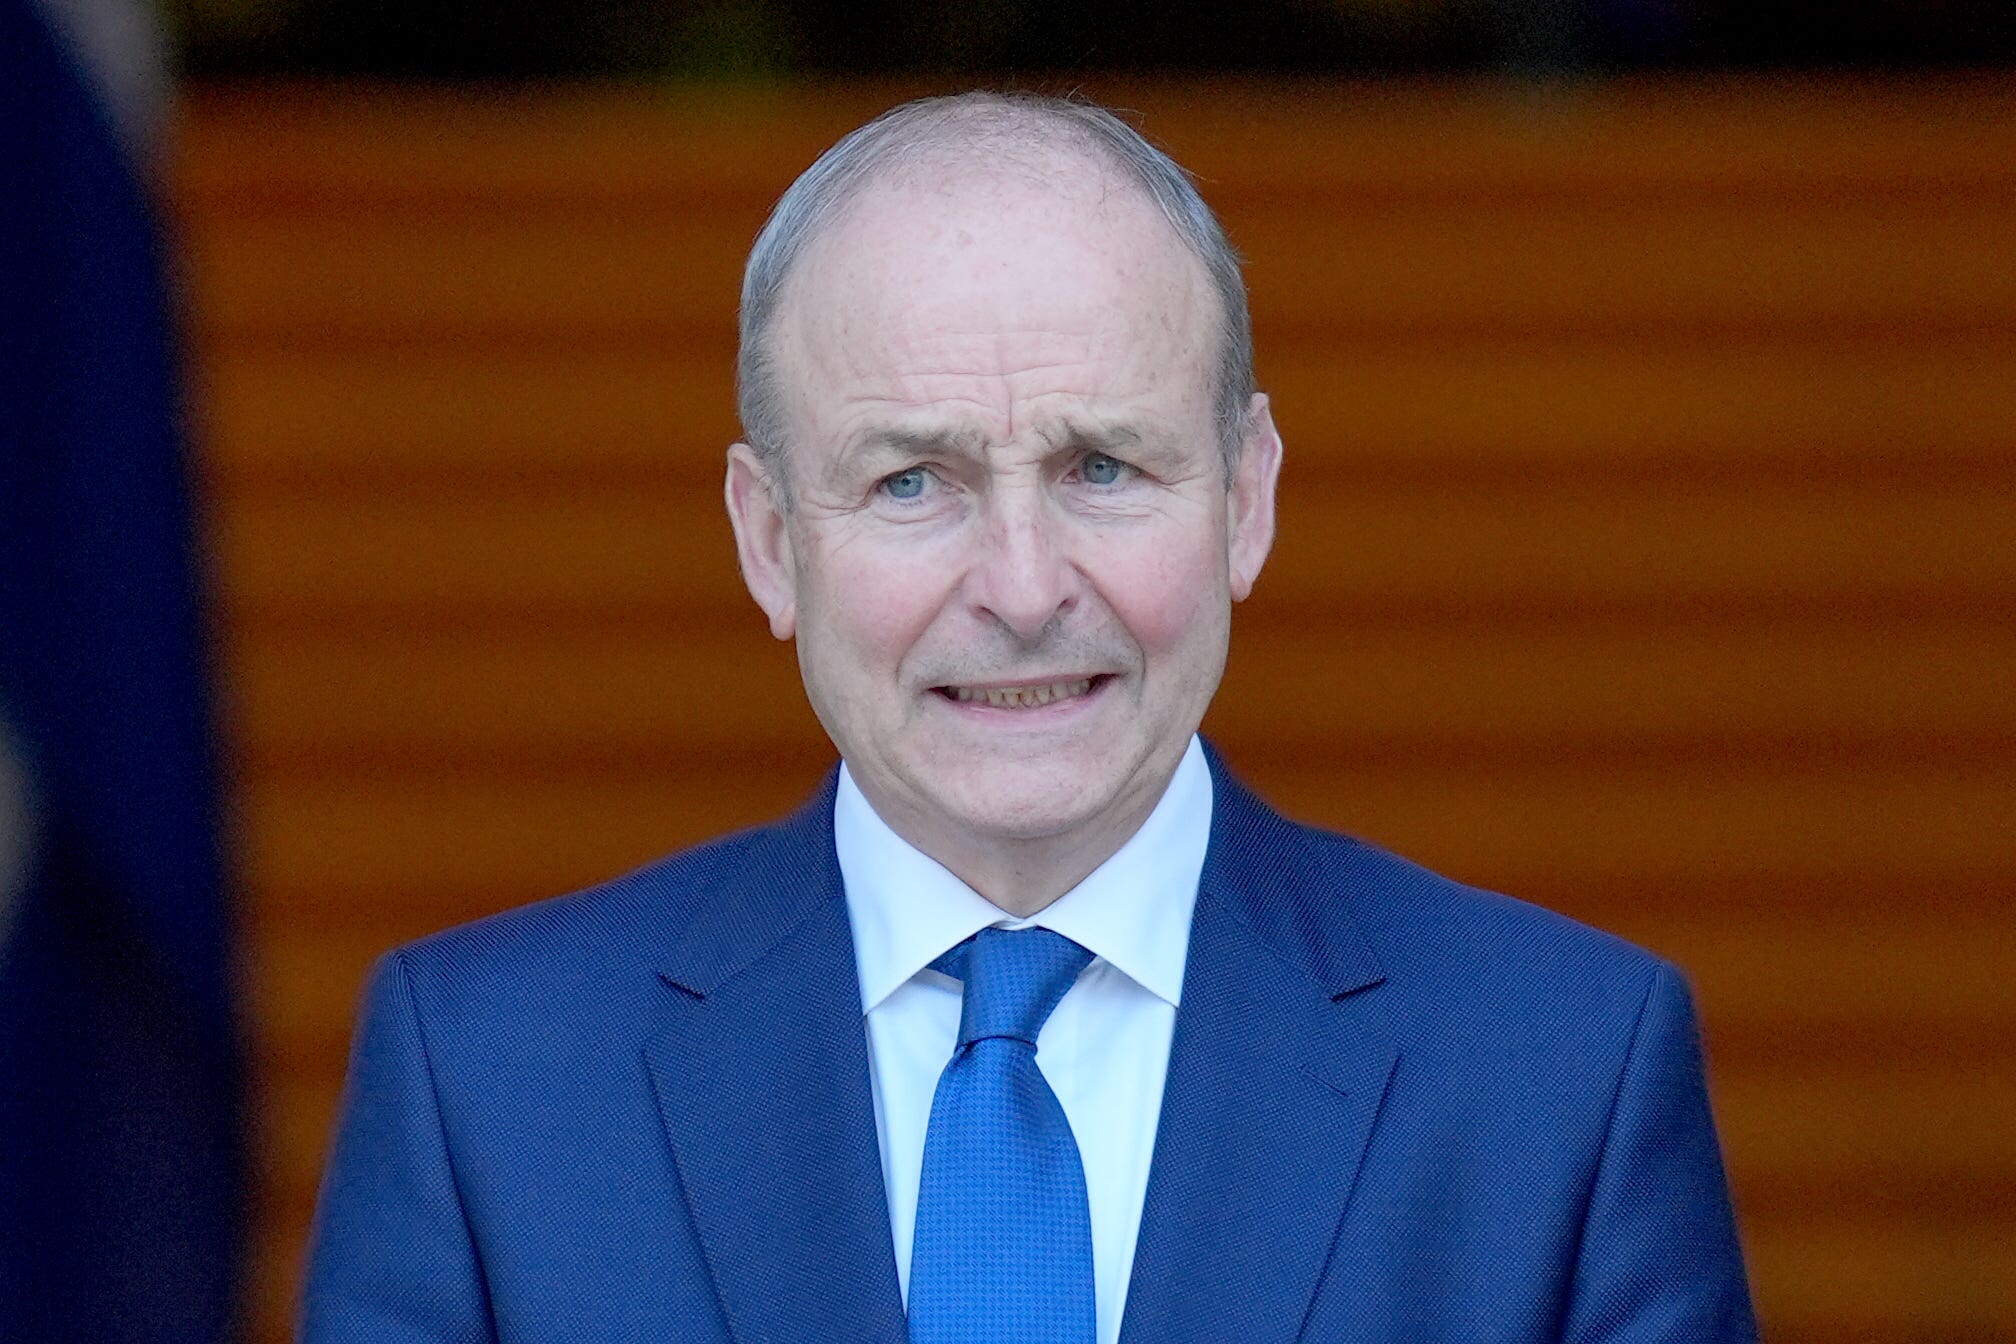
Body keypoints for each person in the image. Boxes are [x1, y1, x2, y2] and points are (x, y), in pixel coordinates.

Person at [302, 92, 1756, 1344]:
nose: (1020, 587)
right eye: (910, 481)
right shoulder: (486, 1086)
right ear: (770, 540)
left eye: (1103, 467)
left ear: (1247, 498)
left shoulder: (1564, 1077)